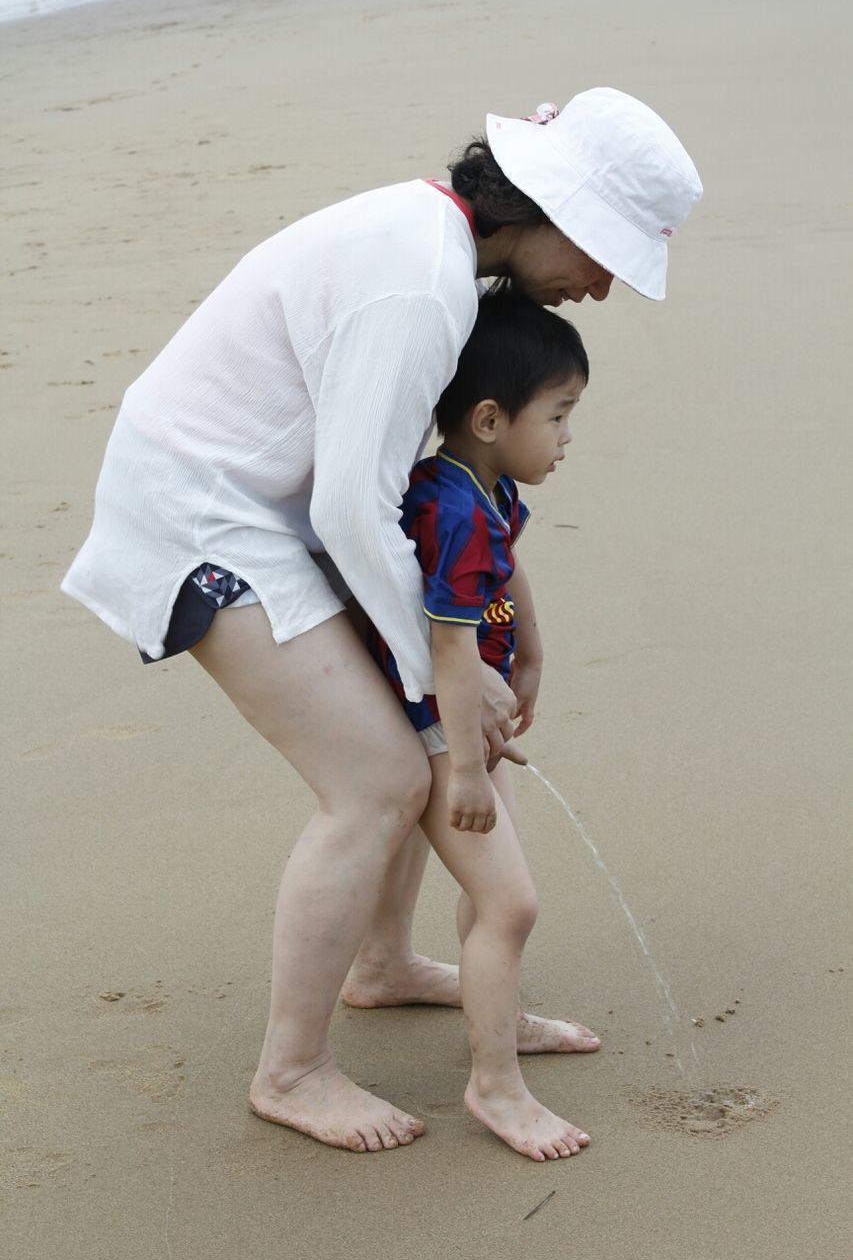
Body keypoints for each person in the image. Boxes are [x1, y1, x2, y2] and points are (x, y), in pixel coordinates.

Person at [61, 87, 702, 1153]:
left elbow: (368, 493)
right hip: (202, 514)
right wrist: (444, 674)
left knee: (403, 746)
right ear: (549, 208)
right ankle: (293, 1068)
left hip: (265, 504)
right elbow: (349, 506)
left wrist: (449, 671)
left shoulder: (433, 243)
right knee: (378, 776)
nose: (598, 287)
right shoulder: (420, 282)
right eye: (604, 256)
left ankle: (385, 964)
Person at [370, 289, 592, 1160]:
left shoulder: (478, 485)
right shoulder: (453, 507)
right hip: (439, 723)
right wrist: (462, 766)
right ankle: (494, 1085)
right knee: (510, 901)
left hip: (461, 720)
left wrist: (529, 654)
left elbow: (507, 567)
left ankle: (492, 1016)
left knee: (481, 889)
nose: (568, 436)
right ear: (492, 416)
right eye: (559, 415)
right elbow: (448, 646)